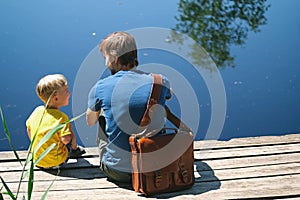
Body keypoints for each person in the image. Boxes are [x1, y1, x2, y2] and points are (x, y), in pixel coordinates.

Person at [86, 32, 172, 184]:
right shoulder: (159, 81)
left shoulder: (100, 87)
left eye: (106, 58)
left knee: (100, 117)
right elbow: (169, 94)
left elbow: (90, 121)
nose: (105, 63)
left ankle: (116, 157)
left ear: (115, 59)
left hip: (119, 172)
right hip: (156, 166)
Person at [26, 74, 86, 169]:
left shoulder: (37, 111)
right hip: (56, 162)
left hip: (37, 160)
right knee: (69, 131)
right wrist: (69, 132)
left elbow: (29, 130)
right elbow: (65, 140)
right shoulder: (61, 118)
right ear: (55, 98)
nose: (69, 93)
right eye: (66, 91)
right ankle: (75, 150)